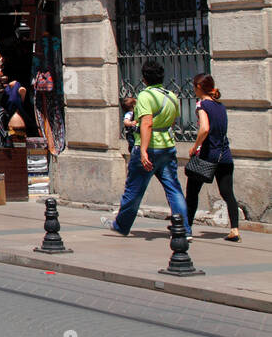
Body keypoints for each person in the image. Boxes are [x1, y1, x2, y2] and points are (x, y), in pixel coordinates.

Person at [102, 60, 190, 237]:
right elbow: (173, 121)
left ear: (144, 79)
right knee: (174, 188)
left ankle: (121, 225)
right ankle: (184, 230)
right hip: (168, 146)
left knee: (134, 189)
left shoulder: (145, 96)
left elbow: (147, 124)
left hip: (149, 147)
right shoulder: (171, 95)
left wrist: (142, 150)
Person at [185, 74, 241, 242]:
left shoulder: (202, 104)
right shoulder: (220, 106)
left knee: (192, 193)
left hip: (207, 156)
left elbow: (204, 128)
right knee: (228, 193)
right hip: (225, 156)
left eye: (194, 86)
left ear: (199, 88)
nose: (193, 89)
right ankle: (235, 229)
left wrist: (195, 147)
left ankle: (186, 229)